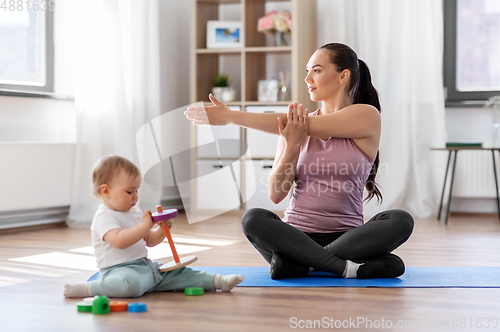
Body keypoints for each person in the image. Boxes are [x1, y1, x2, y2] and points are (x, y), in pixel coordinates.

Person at [185, 43, 414, 280]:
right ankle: (343, 267)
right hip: (295, 237)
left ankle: (304, 264)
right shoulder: (292, 131)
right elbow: (276, 195)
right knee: (253, 218)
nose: (307, 78)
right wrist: (292, 145)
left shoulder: (366, 115)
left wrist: (231, 116)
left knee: (400, 220)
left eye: (316, 70)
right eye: (307, 71)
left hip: (349, 237)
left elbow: (296, 124)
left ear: (342, 76)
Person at [64, 155, 243, 298]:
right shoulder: (104, 217)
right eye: (129, 191)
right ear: (106, 191)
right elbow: (119, 241)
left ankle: (219, 281)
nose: (135, 197)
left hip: (145, 266)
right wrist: (145, 225)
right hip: (118, 271)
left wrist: (162, 230)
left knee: (179, 273)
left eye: (137, 190)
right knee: (130, 285)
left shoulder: (134, 212)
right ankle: (88, 289)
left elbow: (148, 241)